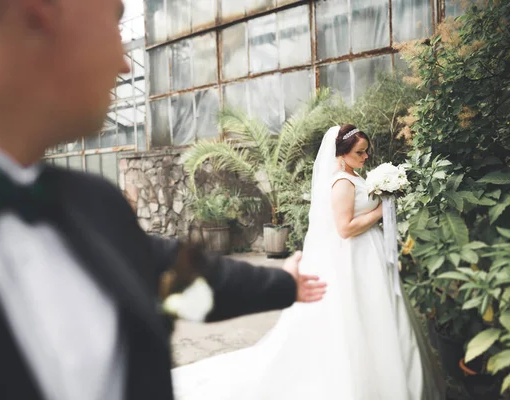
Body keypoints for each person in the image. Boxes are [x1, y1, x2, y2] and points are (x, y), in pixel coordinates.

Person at [0, 1, 327, 399]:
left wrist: (284, 282)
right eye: (116, 19)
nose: (125, 64)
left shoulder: (91, 202)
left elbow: (179, 278)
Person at [171, 125, 446, 400]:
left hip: (368, 255)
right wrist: (381, 211)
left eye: (366, 152)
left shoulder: (356, 176)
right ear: (341, 154)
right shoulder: (341, 183)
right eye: (360, 153)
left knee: (379, 314)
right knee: (355, 317)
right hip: (354, 259)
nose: (365, 157)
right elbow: (345, 228)